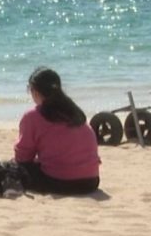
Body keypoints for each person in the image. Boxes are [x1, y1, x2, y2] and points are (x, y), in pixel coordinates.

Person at [14, 67, 100, 195]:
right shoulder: (73, 111)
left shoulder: (33, 116)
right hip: (91, 181)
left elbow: (23, 156)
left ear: (36, 92)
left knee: (15, 169)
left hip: (60, 181)